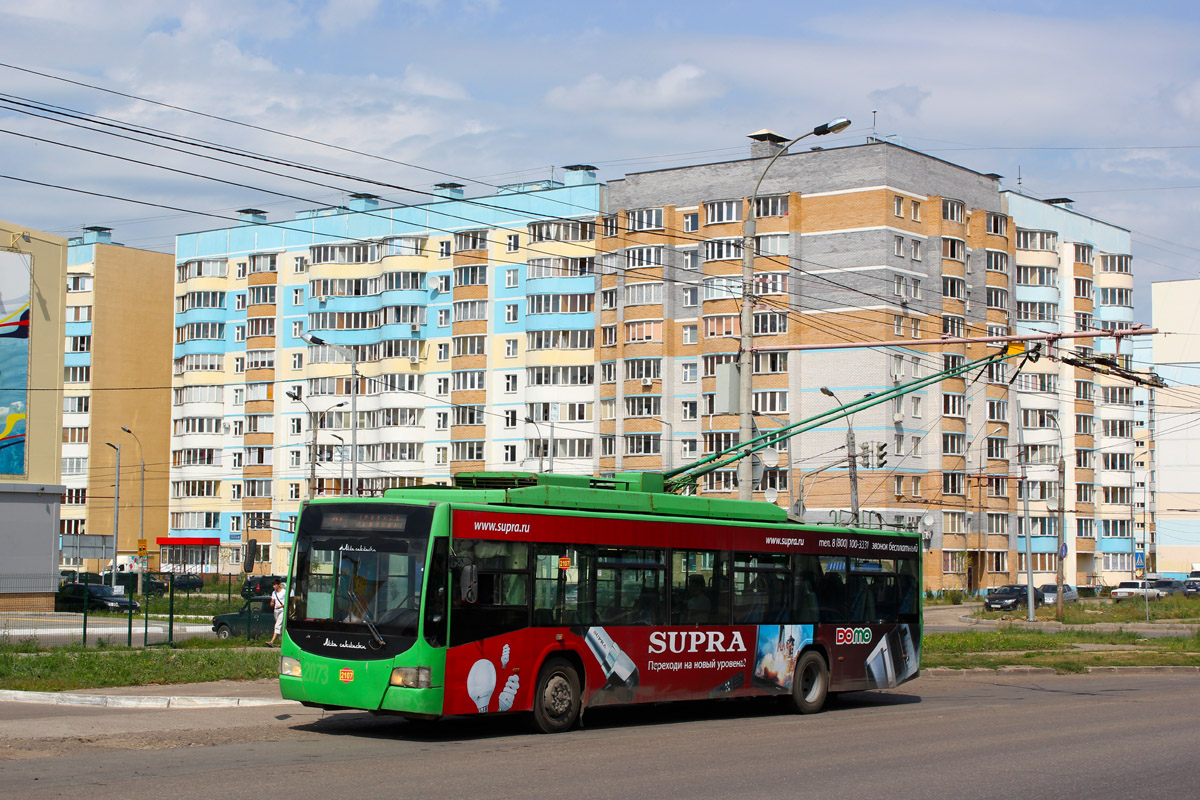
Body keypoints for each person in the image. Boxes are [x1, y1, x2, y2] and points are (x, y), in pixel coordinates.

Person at [267, 578, 286, 646]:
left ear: (279, 585)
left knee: (277, 625)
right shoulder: (274, 593)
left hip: (282, 611)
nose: (274, 586)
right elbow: (272, 601)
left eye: (275, 585)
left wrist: (281, 606)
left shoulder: (284, 592)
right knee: (280, 626)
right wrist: (271, 603)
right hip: (276, 611)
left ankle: (272, 641)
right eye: (273, 585)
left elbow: (287, 602)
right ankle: (283, 641)